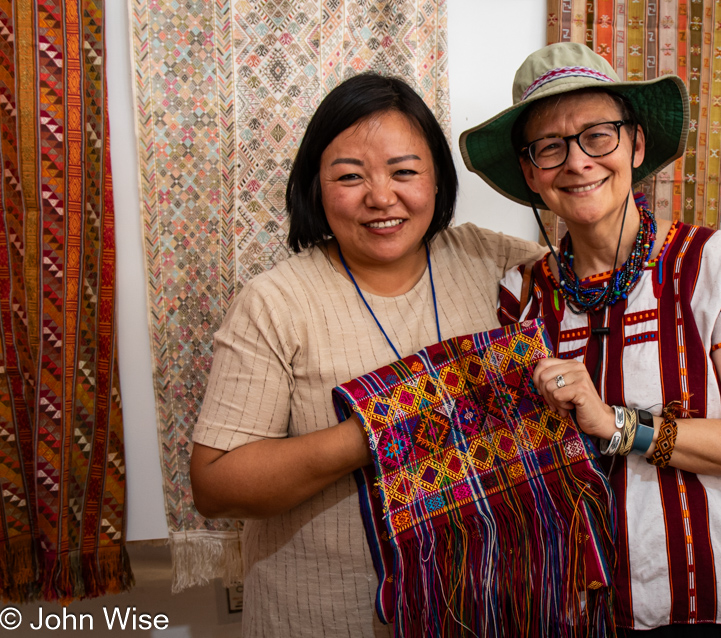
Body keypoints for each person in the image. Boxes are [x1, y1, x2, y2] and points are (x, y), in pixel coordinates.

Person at [189, 73, 543, 638]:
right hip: (323, 614)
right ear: (314, 187)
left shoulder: (487, 258)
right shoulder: (275, 303)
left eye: (405, 171)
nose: (382, 197)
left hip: (480, 606)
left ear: (437, 179)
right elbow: (215, 484)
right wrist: (384, 425)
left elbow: (599, 292)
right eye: (351, 177)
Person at [460, 42, 721, 636]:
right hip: (580, 606)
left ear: (636, 145)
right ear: (531, 173)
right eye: (550, 146)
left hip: (718, 598)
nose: (578, 162)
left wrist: (615, 423)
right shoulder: (521, 295)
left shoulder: (718, 266)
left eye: (598, 135)